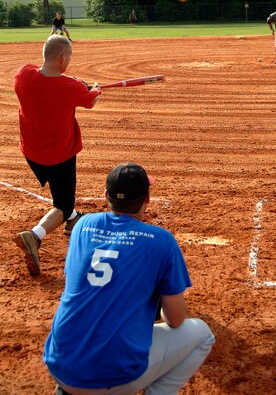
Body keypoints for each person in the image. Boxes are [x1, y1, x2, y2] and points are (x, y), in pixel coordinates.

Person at [43, 162, 215, 395]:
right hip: (116, 378)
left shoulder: (82, 225)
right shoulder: (161, 240)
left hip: (60, 367)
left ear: (106, 196)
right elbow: (174, 319)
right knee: (203, 334)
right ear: (147, 199)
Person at [13, 35, 101, 276]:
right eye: (69, 58)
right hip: (59, 156)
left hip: (31, 152)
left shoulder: (23, 76)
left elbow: (48, 77)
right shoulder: (71, 88)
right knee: (62, 203)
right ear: (62, 58)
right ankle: (35, 236)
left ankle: (72, 219)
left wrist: (74, 83)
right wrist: (94, 89)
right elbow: (90, 100)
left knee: (59, 188)